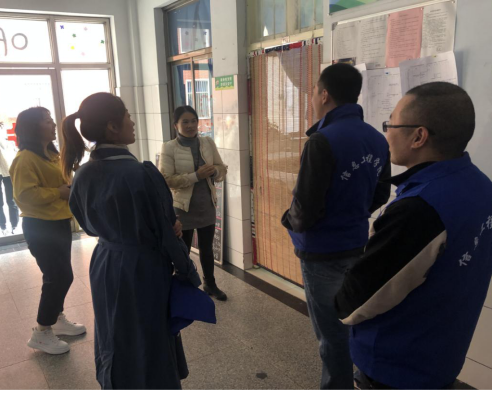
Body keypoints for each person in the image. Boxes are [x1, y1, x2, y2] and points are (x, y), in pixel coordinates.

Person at [336, 82, 493, 391]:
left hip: (396, 366)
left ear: (419, 136)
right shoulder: (481, 186)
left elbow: (355, 303)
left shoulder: (419, 209)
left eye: (390, 124)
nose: (387, 134)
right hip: (443, 354)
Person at [63, 93, 203, 390]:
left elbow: (87, 226)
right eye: (127, 115)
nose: (132, 121)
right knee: (148, 335)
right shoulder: (142, 174)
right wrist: (187, 271)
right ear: (113, 127)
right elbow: (167, 232)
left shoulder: (83, 174)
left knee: (112, 329)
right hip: (143, 266)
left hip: (105, 262)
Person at [282, 64, 391, 390]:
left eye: (314, 92)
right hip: (357, 244)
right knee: (352, 319)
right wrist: (351, 213)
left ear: (324, 94)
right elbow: (381, 194)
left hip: (321, 253)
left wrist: (288, 220)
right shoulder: (377, 139)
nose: (313, 98)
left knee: (330, 334)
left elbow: (305, 209)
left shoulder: (322, 141)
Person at [9, 108, 86, 356]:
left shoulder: (51, 154)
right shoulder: (25, 159)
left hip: (58, 222)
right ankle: (41, 332)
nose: (53, 124)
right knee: (60, 276)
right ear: (32, 127)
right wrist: (59, 192)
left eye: (52, 120)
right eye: (47, 121)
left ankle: (56, 318)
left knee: (57, 275)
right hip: (40, 226)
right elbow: (24, 195)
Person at [160, 106, 228, 301]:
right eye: (185, 122)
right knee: (183, 251)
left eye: (193, 121)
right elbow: (166, 180)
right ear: (176, 125)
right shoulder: (169, 147)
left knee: (207, 249)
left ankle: (210, 284)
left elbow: (221, 168)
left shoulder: (207, 142)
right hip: (182, 208)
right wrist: (196, 176)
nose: (190, 125)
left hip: (206, 204)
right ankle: (184, 289)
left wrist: (215, 172)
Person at [0, 134, 19, 236]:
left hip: (7, 168)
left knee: (11, 200)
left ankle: (14, 225)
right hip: (6, 168)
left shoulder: (2, 131)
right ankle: (3, 226)